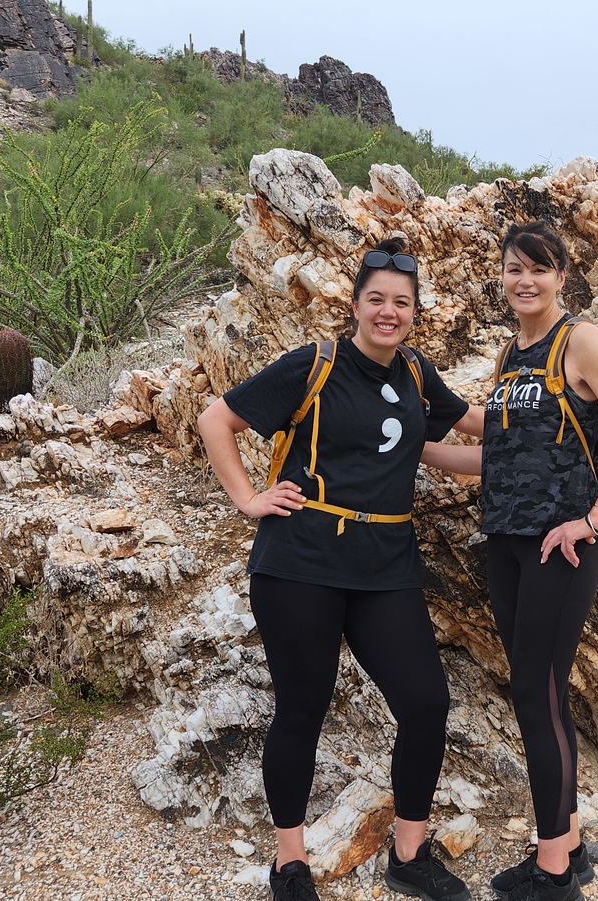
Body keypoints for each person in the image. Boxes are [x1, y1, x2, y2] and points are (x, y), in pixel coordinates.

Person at [197, 237, 483, 901]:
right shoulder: (316, 364)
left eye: (401, 303)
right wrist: (248, 498)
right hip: (300, 560)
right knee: (302, 706)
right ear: (355, 304)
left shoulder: (415, 374)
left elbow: (466, 432)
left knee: (426, 700)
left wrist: (559, 436)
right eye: (376, 299)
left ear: (415, 312)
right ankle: (290, 862)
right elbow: (217, 419)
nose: (388, 311)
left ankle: (409, 854)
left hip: (384, 564)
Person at [422, 221, 598, 901]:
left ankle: (553, 872)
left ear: (562, 275)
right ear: (500, 278)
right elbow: (494, 452)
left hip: (563, 544)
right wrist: (419, 443)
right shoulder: (512, 353)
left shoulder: (578, 341)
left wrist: (592, 519)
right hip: (506, 539)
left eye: (539, 268)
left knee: (534, 692)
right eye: (512, 269)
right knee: (546, 693)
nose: (524, 280)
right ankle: (572, 844)